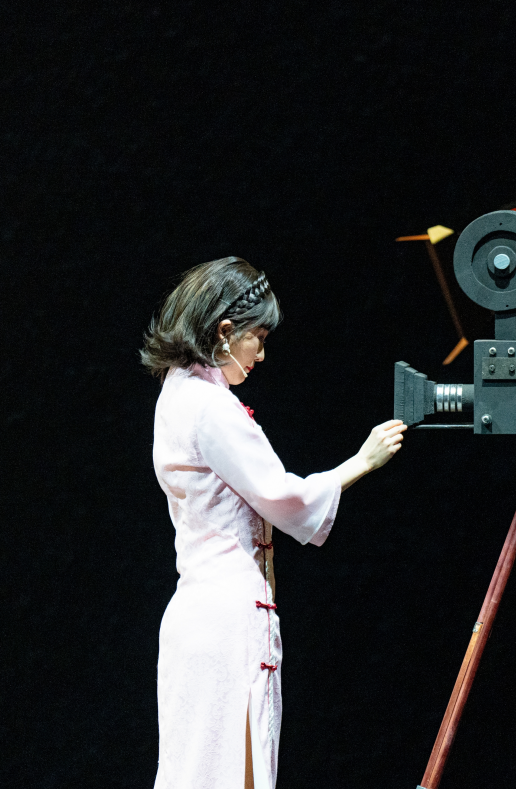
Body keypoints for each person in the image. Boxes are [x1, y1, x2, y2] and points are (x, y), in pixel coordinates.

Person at [140, 257, 405, 789]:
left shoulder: (176, 393)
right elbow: (280, 496)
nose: (261, 354)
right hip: (225, 620)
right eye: (256, 339)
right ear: (224, 331)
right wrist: (362, 462)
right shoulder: (210, 407)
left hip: (198, 615)